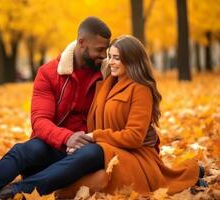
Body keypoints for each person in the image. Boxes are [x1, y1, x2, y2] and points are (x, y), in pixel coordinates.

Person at [0, 16, 110, 200]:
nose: (103, 56)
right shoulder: (49, 73)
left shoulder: (107, 75)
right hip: (52, 147)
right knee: (26, 149)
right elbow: (40, 122)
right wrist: (67, 138)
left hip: (85, 154)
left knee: (93, 153)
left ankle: (16, 192)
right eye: (99, 50)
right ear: (82, 43)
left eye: (106, 50)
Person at [56, 35, 206, 198]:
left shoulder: (141, 89)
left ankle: (191, 175)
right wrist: (80, 141)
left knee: (72, 190)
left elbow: (134, 137)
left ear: (132, 60)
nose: (111, 62)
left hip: (131, 156)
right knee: (69, 182)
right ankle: (33, 186)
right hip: (105, 151)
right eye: (110, 57)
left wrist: (94, 137)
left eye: (117, 58)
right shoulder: (106, 85)